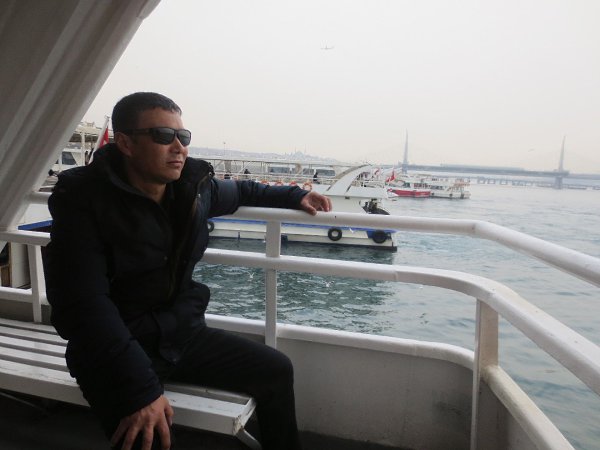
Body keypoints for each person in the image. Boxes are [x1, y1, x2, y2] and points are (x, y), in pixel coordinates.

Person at [44, 92, 332, 450]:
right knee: (149, 435)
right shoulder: (83, 200)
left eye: (183, 136)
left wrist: (293, 196)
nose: (179, 147)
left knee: (275, 369)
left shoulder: (192, 190)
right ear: (126, 143)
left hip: (179, 335)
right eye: (163, 136)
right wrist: (140, 390)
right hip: (112, 346)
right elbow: (84, 306)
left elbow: (243, 190)